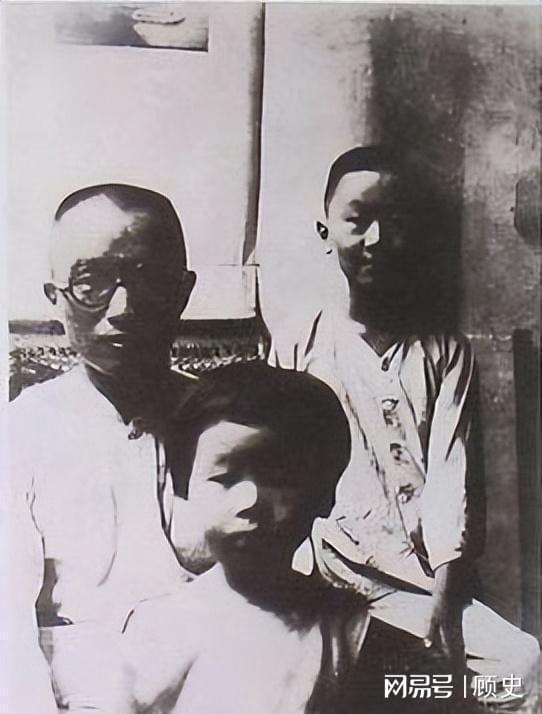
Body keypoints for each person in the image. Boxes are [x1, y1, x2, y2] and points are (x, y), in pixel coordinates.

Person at [269, 147, 539, 711]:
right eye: (357, 220)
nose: (375, 239)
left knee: (519, 668)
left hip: (414, 584)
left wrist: (444, 597)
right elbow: (278, 466)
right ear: (325, 231)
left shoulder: (445, 352)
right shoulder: (301, 343)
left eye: (393, 222)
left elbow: (451, 480)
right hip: (321, 573)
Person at [7, 184, 197, 713]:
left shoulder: (228, 422)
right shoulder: (20, 432)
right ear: (54, 296)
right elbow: (7, 630)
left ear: (182, 291)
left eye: (149, 279)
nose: (123, 308)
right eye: (90, 281)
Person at [120, 363, 369, 714]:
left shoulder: (348, 631)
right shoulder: (156, 626)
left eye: (279, 479)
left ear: (324, 493)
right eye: (224, 478)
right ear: (185, 486)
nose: (250, 500)